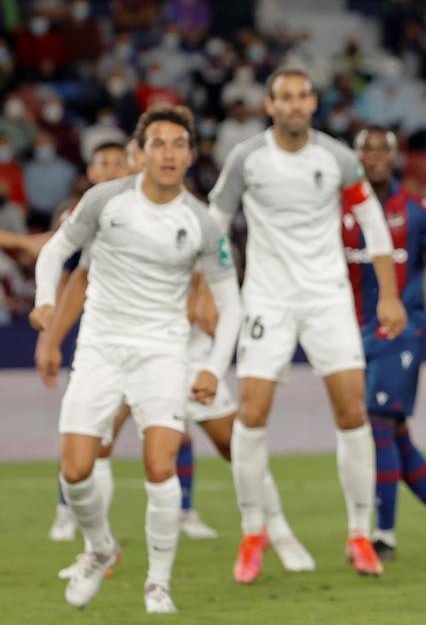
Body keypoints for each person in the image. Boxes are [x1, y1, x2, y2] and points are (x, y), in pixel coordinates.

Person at [41, 140, 302, 578]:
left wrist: (203, 306)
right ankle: (97, 553)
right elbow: (81, 281)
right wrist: (51, 340)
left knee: (231, 443)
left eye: (118, 162)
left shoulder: (190, 216)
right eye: (104, 165)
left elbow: (217, 281)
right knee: (98, 446)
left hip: (187, 351)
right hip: (131, 353)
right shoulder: (108, 221)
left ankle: (275, 529)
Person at [30, 105, 242, 614]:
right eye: (158, 144)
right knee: (75, 471)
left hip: (162, 353)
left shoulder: (202, 223)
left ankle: (158, 583)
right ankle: (101, 549)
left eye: (177, 145)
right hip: (100, 348)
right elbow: (54, 252)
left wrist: (213, 365)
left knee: (159, 464)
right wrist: (43, 299)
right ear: (140, 152)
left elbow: (230, 302)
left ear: (190, 155)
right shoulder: (105, 200)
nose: (168, 154)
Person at [208, 67, 406, 582]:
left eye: (302, 96)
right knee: (251, 415)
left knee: (351, 412)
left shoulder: (335, 157)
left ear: (312, 103)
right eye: (285, 98)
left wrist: (388, 294)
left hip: (327, 299)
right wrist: (214, 287)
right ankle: (254, 532)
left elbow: (372, 223)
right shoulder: (248, 158)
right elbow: (213, 222)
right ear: (269, 105)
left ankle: (360, 535)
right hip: (267, 300)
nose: (295, 105)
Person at [344, 125, 426, 560]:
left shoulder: (418, 210)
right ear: (356, 156)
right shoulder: (338, 209)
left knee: (379, 424)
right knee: (394, 435)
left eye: (383, 149)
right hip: (348, 332)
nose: (376, 156)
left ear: (395, 156)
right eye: (367, 149)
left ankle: (383, 536)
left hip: (401, 332)